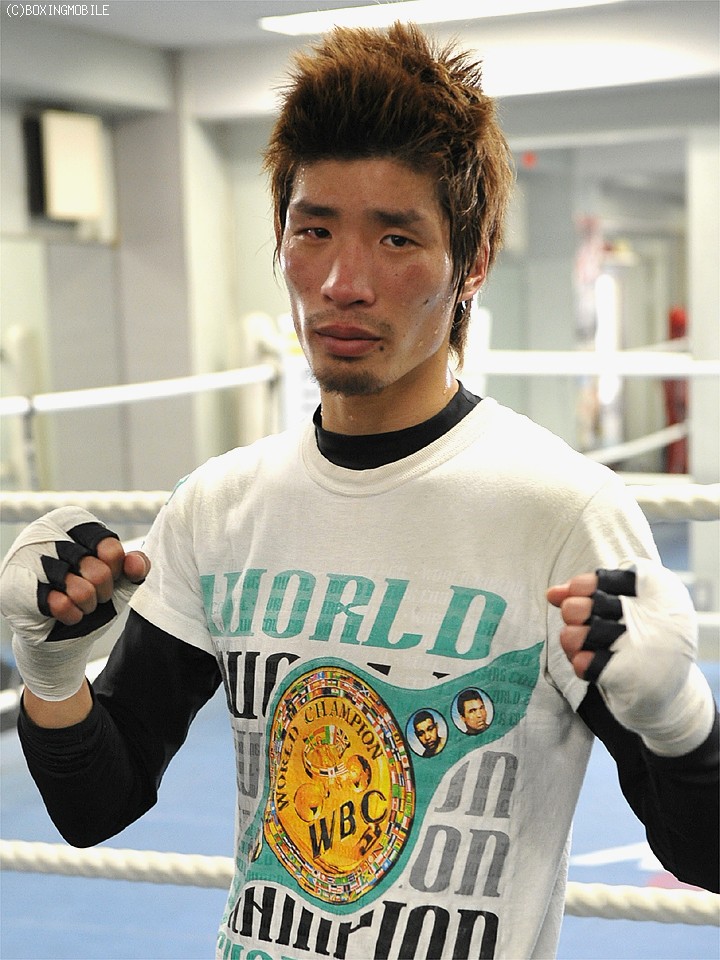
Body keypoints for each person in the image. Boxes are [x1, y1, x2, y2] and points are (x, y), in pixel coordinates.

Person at [1, 22, 718, 960]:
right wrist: (52, 677)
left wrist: (681, 722)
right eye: (314, 231)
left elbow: (704, 857)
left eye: (396, 237)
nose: (343, 282)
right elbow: (99, 803)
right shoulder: (220, 507)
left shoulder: (560, 514)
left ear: (473, 261)